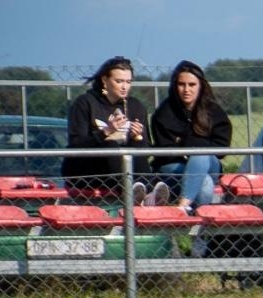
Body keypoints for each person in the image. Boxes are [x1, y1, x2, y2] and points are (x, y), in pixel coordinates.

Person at [63, 55, 161, 200]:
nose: (124, 87)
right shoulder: (85, 103)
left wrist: (136, 138)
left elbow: (145, 148)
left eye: (128, 82)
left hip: (125, 171)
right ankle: (135, 193)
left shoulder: (135, 106)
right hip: (89, 169)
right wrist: (106, 132)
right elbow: (77, 144)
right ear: (105, 80)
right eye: (119, 81)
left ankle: (147, 192)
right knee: (110, 144)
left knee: (135, 153)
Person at [149, 60, 232, 213]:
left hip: (209, 164)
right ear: (175, 86)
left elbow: (221, 149)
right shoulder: (164, 112)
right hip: (174, 167)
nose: (186, 89)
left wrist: (186, 144)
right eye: (181, 84)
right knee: (205, 182)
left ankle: (181, 207)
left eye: (192, 85)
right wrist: (196, 146)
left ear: (200, 85)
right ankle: (198, 231)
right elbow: (164, 151)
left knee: (200, 155)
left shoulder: (213, 111)